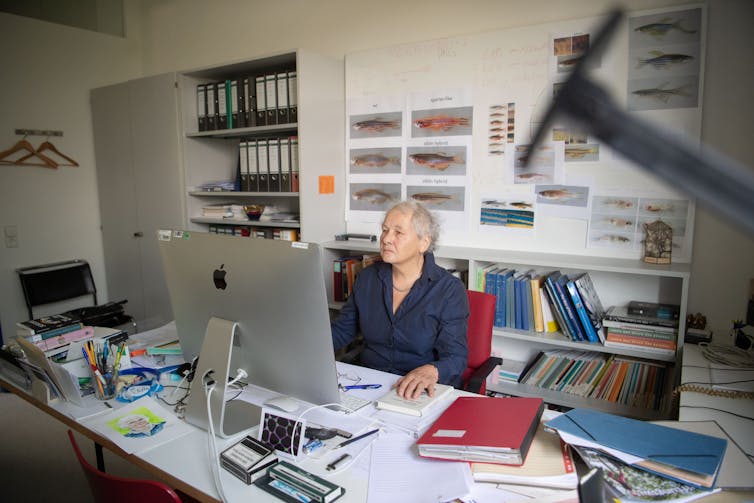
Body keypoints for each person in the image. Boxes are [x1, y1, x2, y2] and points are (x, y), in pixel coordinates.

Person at [331, 201, 469, 399]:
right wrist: (307, 345)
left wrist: (432, 370)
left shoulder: (448, 290)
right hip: (370, 381)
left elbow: (456, 357)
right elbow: (343, 330)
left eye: (398, 232)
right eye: (385, 230)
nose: (386, 239)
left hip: (418, 390)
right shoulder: (367, 278)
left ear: (424, 242)